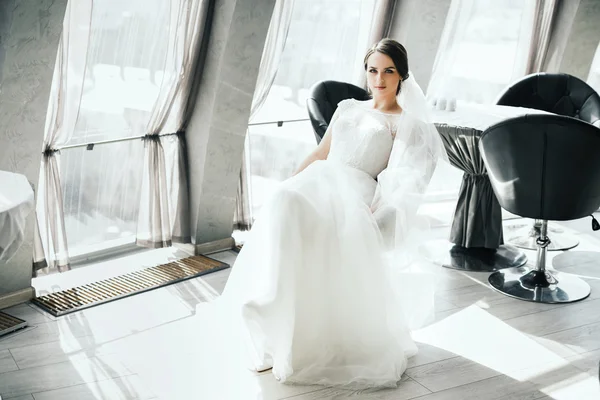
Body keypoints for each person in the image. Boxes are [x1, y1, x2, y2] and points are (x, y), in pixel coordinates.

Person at [217, 38, 448, 389]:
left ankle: (273, 312)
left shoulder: (404, 122)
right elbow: (321, 153)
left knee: (295, 208)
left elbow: (399, 177)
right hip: (321, 180)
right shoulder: (348, 108)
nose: (379, 78)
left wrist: (379, 209)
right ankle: (275, 317)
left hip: (355, 192)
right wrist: (289, 183)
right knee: (285, 201)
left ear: (401, 75)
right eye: (373, 70)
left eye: (388, 71)